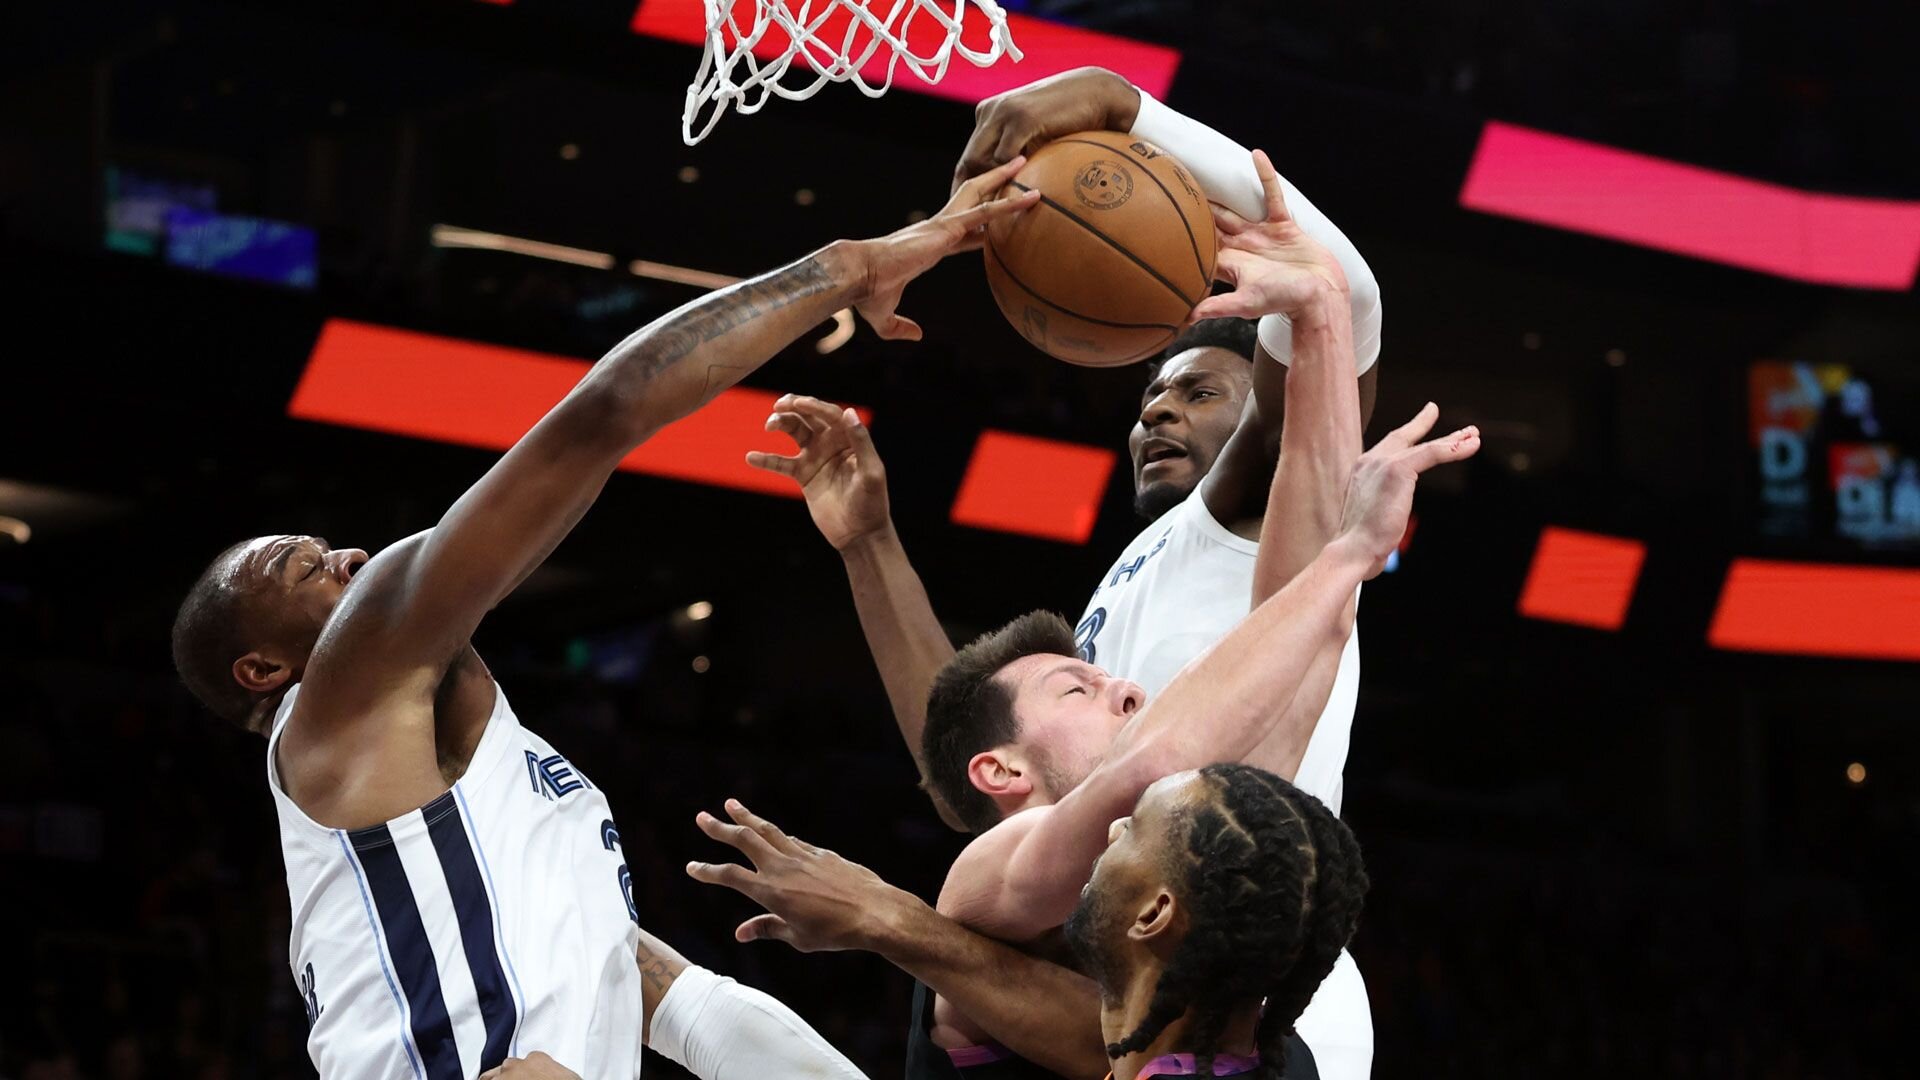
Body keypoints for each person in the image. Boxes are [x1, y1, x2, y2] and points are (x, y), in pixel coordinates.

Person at [167, 160, 1038, 1079]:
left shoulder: (471, 808)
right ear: (264, 671)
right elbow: (606, 414)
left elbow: (674, 998)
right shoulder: (341, 695)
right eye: (300, 568)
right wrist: (854, 266)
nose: (345, 556)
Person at [752, 137, 1410, 1078]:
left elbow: (1339, 319)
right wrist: (870, 545)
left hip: (1249, 960)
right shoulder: (1124, 594)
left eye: (1198, 388)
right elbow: (970, 754)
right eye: (1148, 394)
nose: (1157, 410)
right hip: (1141, 938)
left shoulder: (1248, 517)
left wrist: (1126, 110)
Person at [685, 761, 1369, 1080]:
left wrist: (882, 917)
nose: (1113, 825)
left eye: (1136, 829)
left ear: (1156, 913)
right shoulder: (1269, 1057)